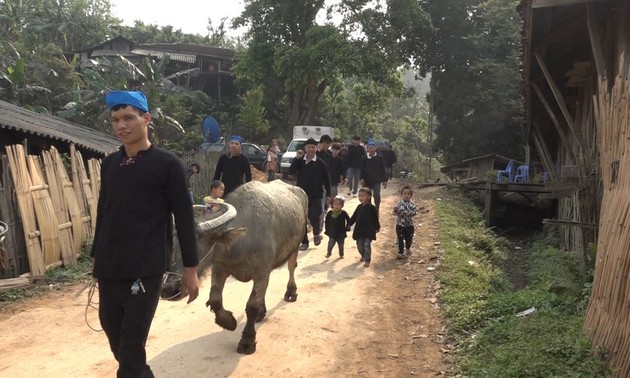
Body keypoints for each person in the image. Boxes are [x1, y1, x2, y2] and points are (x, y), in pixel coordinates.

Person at [92, 90, 200, 378]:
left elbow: (185, 218)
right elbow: (104, 212)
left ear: (146, 119)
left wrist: (190, 269)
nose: (121, 125)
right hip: (109, 267)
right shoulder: (110, 164)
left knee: (130, 346)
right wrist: (96, 258)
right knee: (117, 342)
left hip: (145, 268)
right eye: (116, 119)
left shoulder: (168, 165)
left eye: (129, 117)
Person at [290, 137, 331, 250]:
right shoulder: (301, 161)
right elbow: (291, 171)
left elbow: (327, 179)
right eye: (309, 147)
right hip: (301, 194)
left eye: (313, 147)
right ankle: (304, 242)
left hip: (316, 194)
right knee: (302, 218)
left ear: (316, 148)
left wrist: (328, 194)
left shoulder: (320, 163)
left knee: (314, 215)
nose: (311, 149)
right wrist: (296, 159)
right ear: (305, 148)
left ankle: (316, 234)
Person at [347, 187, 380, 267]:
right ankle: (363, 255)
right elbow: (354, 217)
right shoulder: (359, 207)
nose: (360, 198)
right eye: (359, 196)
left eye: (363, 196)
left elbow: (376, 219)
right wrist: (349, 224)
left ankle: (367, 260)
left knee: (367, 245)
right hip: (359, 230)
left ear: (368, 197)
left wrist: (377, 227)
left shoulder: (372, 208)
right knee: (360, 246)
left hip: (369, 230)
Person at [360, 140, 388, 211]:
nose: (371, 149)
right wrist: (361, 178)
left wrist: (384, 180)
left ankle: (377, 209)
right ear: (367, 149)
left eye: (372, 148)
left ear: (375, 148)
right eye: (369, 148)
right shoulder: (364, 159)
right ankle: (368, 209)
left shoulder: (379, 158)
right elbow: (362, 169)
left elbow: (382, 169)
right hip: (367, 180)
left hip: (377, 180)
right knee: (367, 196)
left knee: (376, 195)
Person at [393, 185, 417, 259]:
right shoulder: (398, 204)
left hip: (409, 225)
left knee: (409, 238)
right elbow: (394, 212)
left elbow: (414, 213)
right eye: (405, 194)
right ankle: (400, 252)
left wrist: (405, 213)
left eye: (408, 194)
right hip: (400, 225)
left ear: (411, 195)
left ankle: (408, 248)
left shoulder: (412, 204)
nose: (406, 195)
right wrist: (397, 211)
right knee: (400, 238)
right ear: (402, 194)